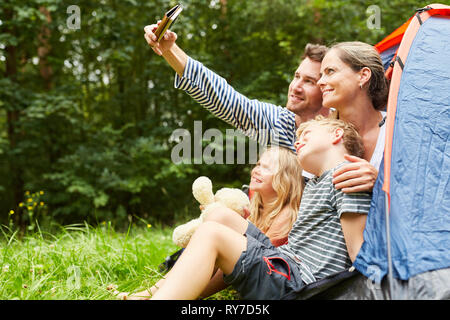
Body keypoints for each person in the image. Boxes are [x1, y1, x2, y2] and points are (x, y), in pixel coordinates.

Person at [141, 116, 371, 300]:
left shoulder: (347, 178)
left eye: (306, 135)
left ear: (336, 135)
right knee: (218, 215)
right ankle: (154, 292)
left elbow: (357, 257)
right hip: (283, 263)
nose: (298, 142)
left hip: (298, 285)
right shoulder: (316, 182)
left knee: (212, 234)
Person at [143, 24, 380, 192]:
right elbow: (226, 99)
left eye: (308, 81)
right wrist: (169, 50)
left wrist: (376, 181)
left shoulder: (350, 130)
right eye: (296, 77)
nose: (295, 87)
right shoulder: (282, 122)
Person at [122, 146, 304, 299]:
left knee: (216, 230)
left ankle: (162, 292)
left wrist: (194, 292)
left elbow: (239, 265)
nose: (256, 169)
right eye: (257, 164)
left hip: (272, 283)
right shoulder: (255, 208)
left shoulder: (286, 216)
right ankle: (154, 290)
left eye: (266, 168)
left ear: (285, 179)